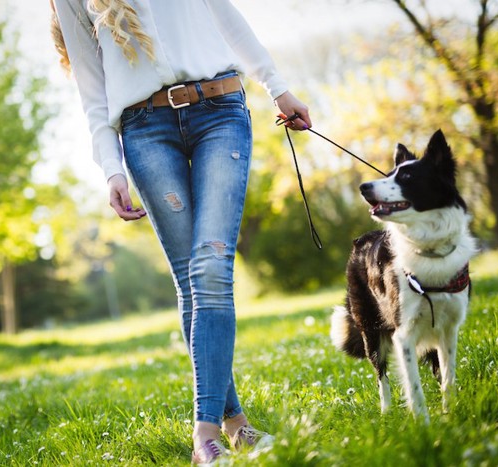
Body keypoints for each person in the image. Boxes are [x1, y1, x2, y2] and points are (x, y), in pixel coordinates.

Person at [50, 0, 312, 463]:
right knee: (193, 281)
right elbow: (91, 89)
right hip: (144, 129)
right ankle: (234, 426)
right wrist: (111, 168)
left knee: (211, 266)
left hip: (221, 111)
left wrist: (278, 88)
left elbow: (226, 17)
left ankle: (204, 435)